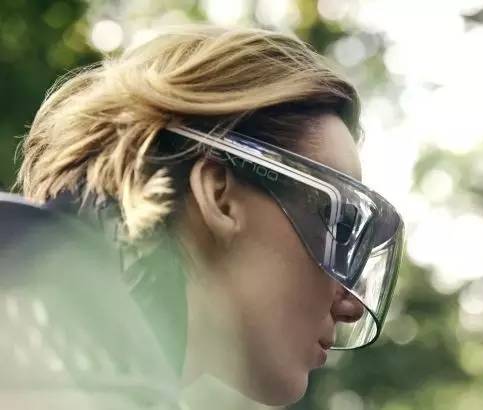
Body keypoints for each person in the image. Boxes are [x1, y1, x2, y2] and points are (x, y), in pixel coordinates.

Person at [5, 25, 404, 407]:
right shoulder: (32, 340)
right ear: (218, 194)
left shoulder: (84, 354)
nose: (350, 305)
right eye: (337, 226)